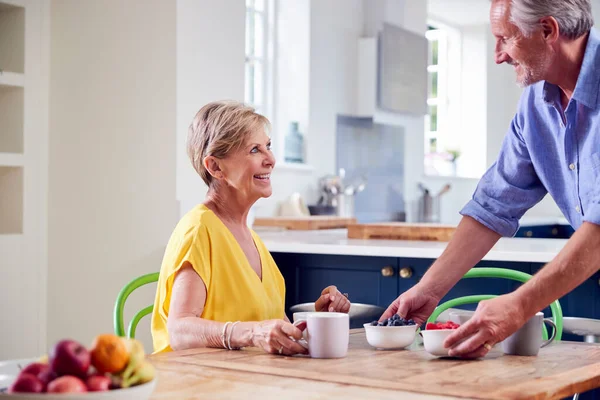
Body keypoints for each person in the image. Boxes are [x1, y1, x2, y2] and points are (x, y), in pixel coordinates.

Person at [382, 0, 600, 359]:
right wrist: (430, 289)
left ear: (548, 30)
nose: (498, 55)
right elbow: (494, 203)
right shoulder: (534, 104)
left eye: (505, 39)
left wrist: (520, 305)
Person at [151, 100, 350, 355]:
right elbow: (179, 331)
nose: (271, 160)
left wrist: (315, 321)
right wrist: (253, 333)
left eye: (267, 146)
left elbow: (264, 330)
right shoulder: (199, 230)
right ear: (215, 166)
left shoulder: (251, 237)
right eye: (254, 150)